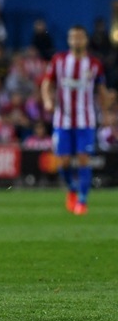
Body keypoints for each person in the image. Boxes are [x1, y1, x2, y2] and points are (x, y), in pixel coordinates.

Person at [40, 25, 107, 216]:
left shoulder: (94, 64)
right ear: (69, 40)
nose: (76, 41)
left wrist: (107, 113)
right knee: (63, 163)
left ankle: (83, 200)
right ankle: (72, 189)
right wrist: (47, 100)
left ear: (85, 40)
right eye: (73, 37)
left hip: (86, 121)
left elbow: (101, 91)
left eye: (79, 37)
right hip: (63, 120)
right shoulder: (59, 60)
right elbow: (47, 83)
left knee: (84, 159)